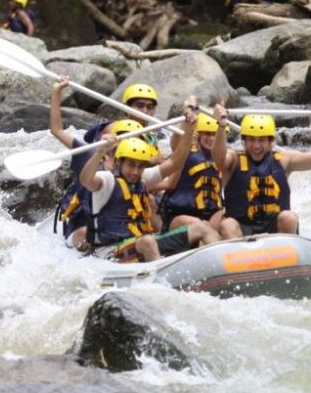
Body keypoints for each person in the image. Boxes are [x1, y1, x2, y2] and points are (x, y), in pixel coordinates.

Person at [80, 99, 220, 262]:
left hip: (141, 246)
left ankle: (225, 267)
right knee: (147, 240)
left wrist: (189, 129)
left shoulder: (143, 178)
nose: (135, 171)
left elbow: (175, 162)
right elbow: (86, 179)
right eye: (131, 165)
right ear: (119, 162)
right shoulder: (107, 181)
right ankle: (163, 279)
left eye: (140, 166)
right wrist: (99, 153)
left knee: (201, 228)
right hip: (109, 252)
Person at [211, 105, 311, 238]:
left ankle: (288, 253)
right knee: (227, 224)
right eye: (251, 140)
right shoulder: (233, 159)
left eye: (262, 140)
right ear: (243, 141)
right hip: (242, 228)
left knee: (289, 217)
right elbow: (218, 158)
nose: (256, 146)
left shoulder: (285, 160)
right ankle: (238, 256)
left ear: (271, 141)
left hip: (274, 228)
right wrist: (221, 126)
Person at [49, 77, 144, 250]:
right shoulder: (89, 152)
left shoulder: (135, 166)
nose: (129, 143)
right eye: (123, 137)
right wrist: (57, 92)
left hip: (113, 225)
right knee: (86, 233)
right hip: (82, 222)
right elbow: (57, 130)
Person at [158, 112, 226, 236]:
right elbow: (176, 142)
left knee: (228, 218)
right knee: (201, 227)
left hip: (211, 215)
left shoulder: (224, 159)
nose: (211, 138)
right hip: (181, 216)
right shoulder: (186, 152)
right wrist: (186, 118)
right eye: (207, 133)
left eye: (214, 135)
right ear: (198, 134)